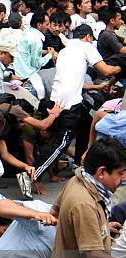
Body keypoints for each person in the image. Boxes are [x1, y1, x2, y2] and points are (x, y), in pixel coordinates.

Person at [32, 24, 121, 184]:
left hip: (56, 100)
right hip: (69, 104)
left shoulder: (65, 51)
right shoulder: (86, 46)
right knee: (62, 142)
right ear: (88, 37)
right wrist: (120, 66)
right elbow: (106, 71)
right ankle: (32, 174)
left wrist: (96, 86)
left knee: (86, 124)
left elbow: (74, 80)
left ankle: (81, 165)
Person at [14, 10, 56, 99]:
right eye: (47, 24)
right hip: (27, 74)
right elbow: (37, 63)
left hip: (19, 70)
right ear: (39, 25)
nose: (48, 27)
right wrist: (50, 55)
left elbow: (30, 52)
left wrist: (45, 52)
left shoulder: (27, 31)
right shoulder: (36, 40)